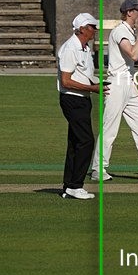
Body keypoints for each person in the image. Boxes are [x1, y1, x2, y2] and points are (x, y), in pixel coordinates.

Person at [90, 0, 138, 182]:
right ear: (129, 12)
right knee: (110, 128)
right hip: (116, 85)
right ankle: (98, 169)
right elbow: (134, 55)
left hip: (128, 83)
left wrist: (132, 83)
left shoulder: (129, 31)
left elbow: (130, 64)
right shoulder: (120, 31)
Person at [56, 12, 105, 199]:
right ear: (82, 29)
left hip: (83, 98)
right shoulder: (71, 48)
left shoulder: (84, 48)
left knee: (76, 142)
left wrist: (98, 84)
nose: (95, 31)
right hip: (73, 99)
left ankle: (69, 186)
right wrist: (92, 88)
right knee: (86, 141)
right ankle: (76, 185)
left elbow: (84, 74)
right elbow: (66, 81)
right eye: (92, 27)